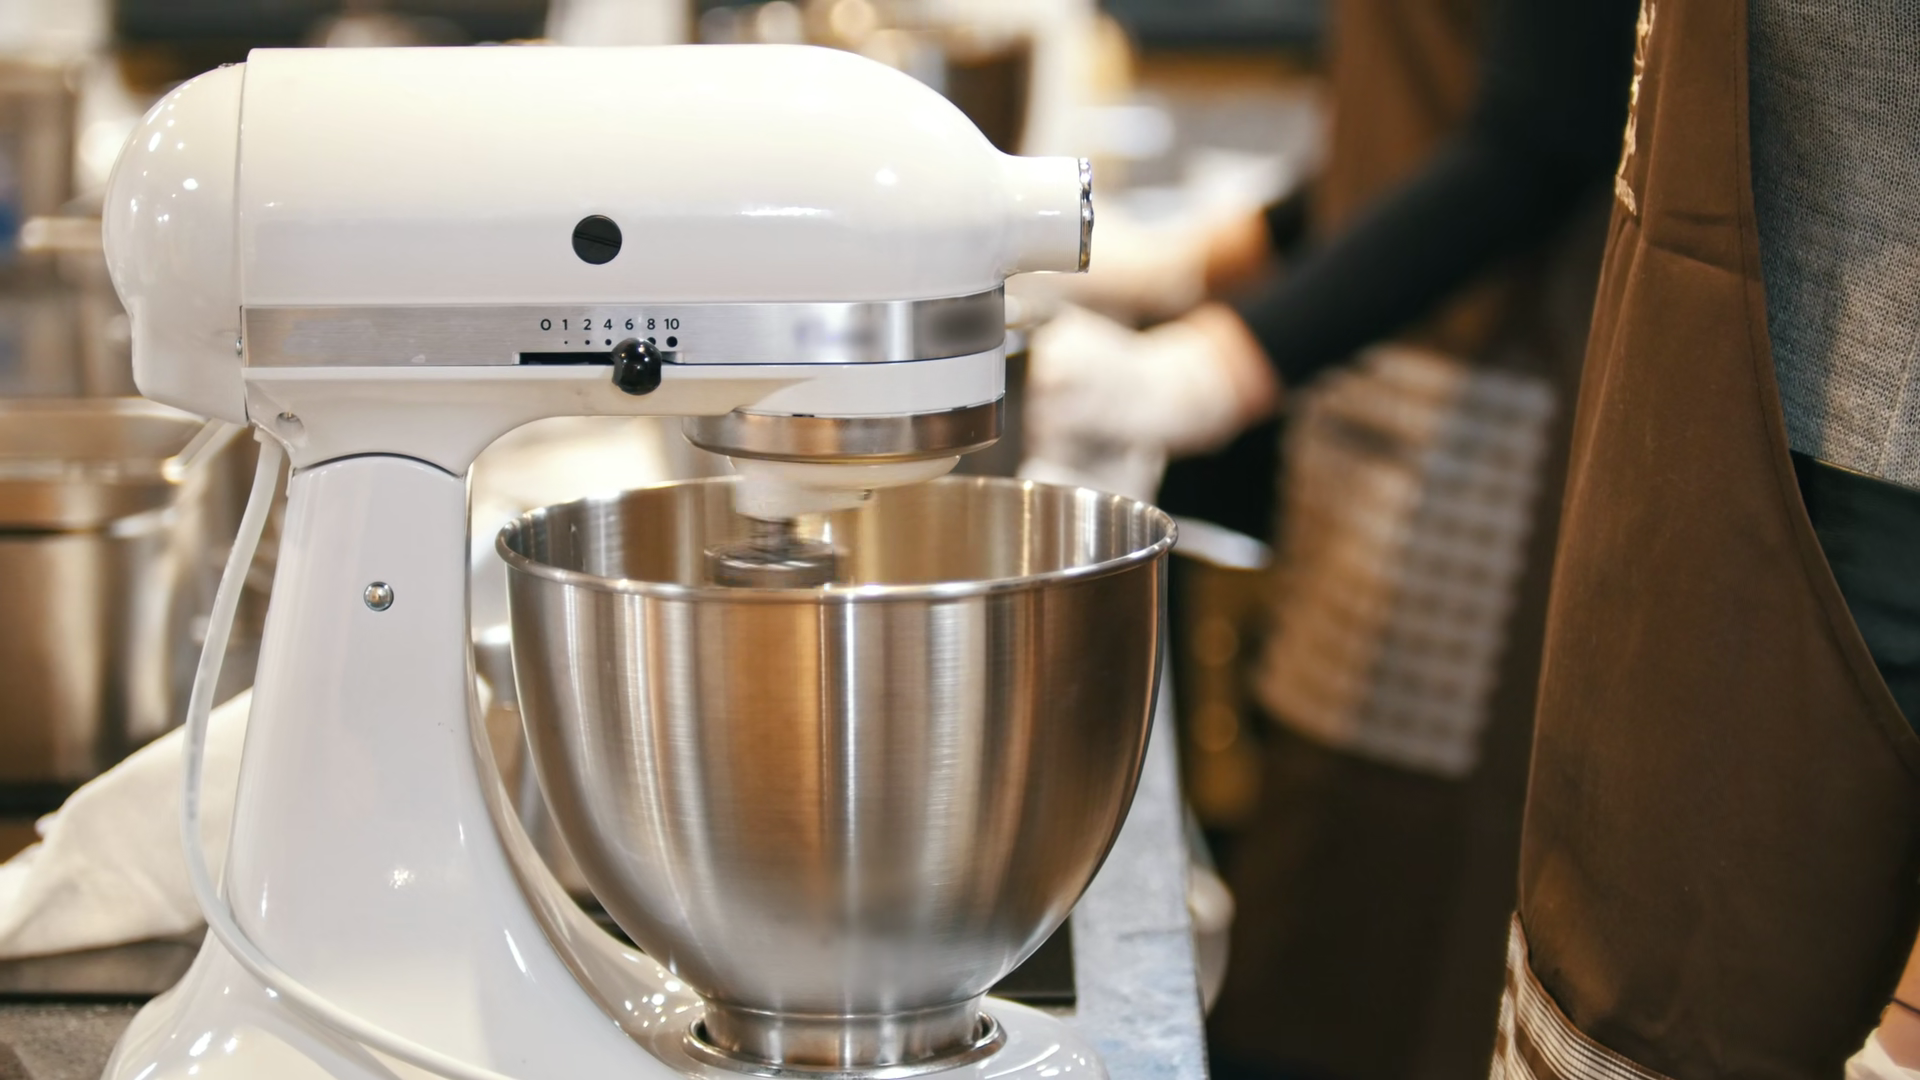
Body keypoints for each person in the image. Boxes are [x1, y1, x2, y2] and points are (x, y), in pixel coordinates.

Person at [1030, 0, 1920, 1075]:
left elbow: (1541, 133)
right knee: (1334, 908)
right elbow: (1435, 123)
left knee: (1402, 942)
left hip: (1520, 433)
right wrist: (1205, 263)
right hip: (1404, 419)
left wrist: (1220, 366)